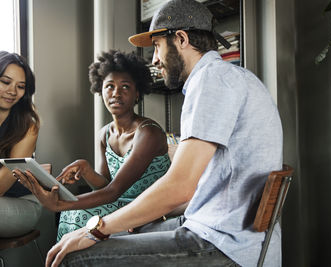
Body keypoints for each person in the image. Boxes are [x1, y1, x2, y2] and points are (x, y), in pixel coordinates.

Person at [16, 0, 283, 266]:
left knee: (72, 256)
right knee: (122, 230)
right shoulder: (230, 77)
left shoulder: (212, 81)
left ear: (180, 39)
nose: (155, 59)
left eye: (157, 46)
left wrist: (96, 228)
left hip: (222, 243)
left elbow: (180, 187)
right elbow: (199, 186)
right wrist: (133, 219)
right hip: (220, 230)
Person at [16, 50, 171, 241]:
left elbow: (114, 191)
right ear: (100, 90)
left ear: (137, 93)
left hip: (147, 208)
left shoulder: (148, 133)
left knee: (78, 214)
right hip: (120, 203)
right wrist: (86, 169)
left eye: (125, 87)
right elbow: (105, 186)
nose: (116, 93)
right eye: (109, 86)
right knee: (72, 214)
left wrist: (61, 204)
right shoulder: (104, 134)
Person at [0, 51, 41, 237]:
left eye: (21, 86)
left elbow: (1, 185)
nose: (12, 91)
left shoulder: (28, 125)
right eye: (5, 82)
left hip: (22, 202)